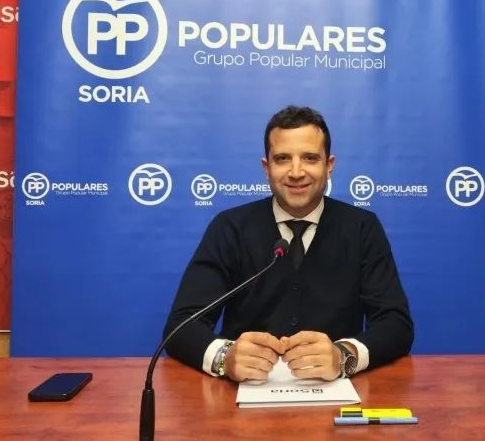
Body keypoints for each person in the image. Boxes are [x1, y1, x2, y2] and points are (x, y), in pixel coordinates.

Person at [162, 105, 414, 382]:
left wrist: (344, 356)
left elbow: (396, 325)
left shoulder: (362, 227)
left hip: (336, 393)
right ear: (266, 168)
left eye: (309, 158)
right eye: (282, 159)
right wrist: (224, 358)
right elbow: (180, 326)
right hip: (242, 393)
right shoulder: (230, 227)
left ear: (328, 165)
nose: (296, 172)